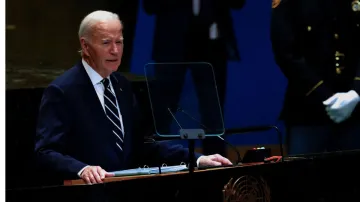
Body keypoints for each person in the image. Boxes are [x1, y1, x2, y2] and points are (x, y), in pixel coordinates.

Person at [34, 10, 232, 185]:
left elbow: (143, 144)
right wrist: (82, 169)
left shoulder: (122, 85)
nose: (115, 50)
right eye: (106, 43)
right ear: (85, 47)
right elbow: (46, 152)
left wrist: (196, 159)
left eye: (119, 42)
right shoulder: (62, 91)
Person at [143, 0, 245, 156]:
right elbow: (149, 6)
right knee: (162, 113)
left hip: (212, 45)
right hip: (172, 45)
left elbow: (238, 3)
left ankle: (216, 169)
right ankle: (155, 163)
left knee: (213, 116)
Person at [270, 0, 360, 155]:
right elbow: (285, 52)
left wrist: (356, 92)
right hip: (308, 108)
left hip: (355, 107)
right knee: (302, 175)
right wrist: (326, 96)